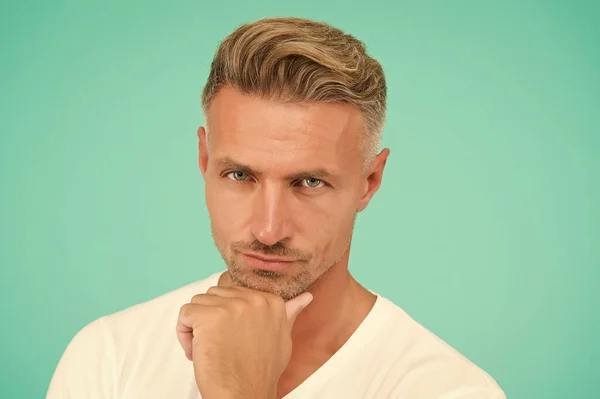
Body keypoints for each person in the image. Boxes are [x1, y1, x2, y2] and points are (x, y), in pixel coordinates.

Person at [47, 16, 505, 399]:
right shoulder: (109, 357)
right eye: (240, 176)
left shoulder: (448, 389)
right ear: (205, 162)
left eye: (309, 182)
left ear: (370, 181)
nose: (268, 231)